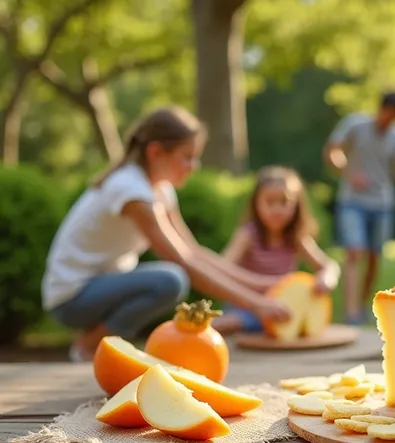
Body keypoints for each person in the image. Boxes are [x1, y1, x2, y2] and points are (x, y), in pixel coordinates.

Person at [42, 106, 290, 362]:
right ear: (156, 152)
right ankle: (90, 344)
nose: (194, 166)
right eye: (187, 156)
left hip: (102, 287)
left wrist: (264, 285)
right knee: (170, 280)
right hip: (71, 298)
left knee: (172, 278)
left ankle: (96, 343)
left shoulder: (160, 190)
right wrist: (257, 305)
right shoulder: (130, 191)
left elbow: (192, 252)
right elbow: (183, 263)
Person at [323, 91, 395, 325]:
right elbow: (331, 152)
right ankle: (351, 314)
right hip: (352, 200)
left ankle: (360, 306)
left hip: (382, 204)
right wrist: (349, 173)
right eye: (387, 114)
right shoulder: (355, 124)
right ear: (380, 109)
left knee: (373, 258)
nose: (389, 121)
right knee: (354, 252)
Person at [212, 165, 341, 335]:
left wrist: (326, 279)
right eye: (269, 202)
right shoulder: (248, 235)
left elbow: (329, 265)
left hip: (280, 307)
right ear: (256, 204)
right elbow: (223, 268)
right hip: (247, 305)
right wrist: (268, 284)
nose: (277, 210)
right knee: (233, 322)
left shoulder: (297, 237)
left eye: (284, 202)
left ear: (296, 204)